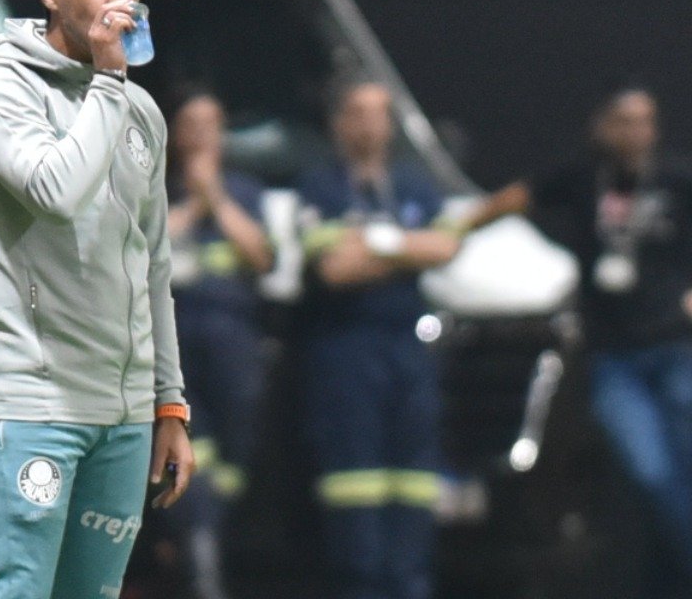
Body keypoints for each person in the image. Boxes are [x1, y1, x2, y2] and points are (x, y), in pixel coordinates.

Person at [0, 0, 195, 599]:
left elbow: (152, 268)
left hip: (118, 416)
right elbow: (54, 191)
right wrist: (110, 81)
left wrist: (168, 409)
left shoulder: (140, 114)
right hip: (29, 403)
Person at [480, 84, 692, 592]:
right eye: (625, 120)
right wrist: (452, 230)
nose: (636, 132)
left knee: (684, 469)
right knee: (649, 473)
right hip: (615, 356)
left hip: (675, 348)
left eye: (646, 121)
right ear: (602, 124)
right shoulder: (582, 178)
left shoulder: (675, 178)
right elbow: (517, 196)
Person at [296, 81, 461, 599]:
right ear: (339, 123)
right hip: (348, 348)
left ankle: (410, 584)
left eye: (380, 114)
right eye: (359, 113)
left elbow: (444, 247)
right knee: (355, 483)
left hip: (406, 350)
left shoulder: (414, 185)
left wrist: (376, 244)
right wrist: (404, 248)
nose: (371, 125)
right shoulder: (321, 188)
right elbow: (336, 269)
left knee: (414, 480)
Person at [161, 86, 272, 599]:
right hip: (177, 342)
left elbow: (261, 256)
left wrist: (218, 199)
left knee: (235, 450)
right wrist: (192, 203)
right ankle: (201, 566)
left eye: (213, 124)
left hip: (234, 338)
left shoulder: (246, 192)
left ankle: (211, 534)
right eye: (192, 124)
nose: (203, 134)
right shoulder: (155, 189)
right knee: (188, 449)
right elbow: (143, 251)